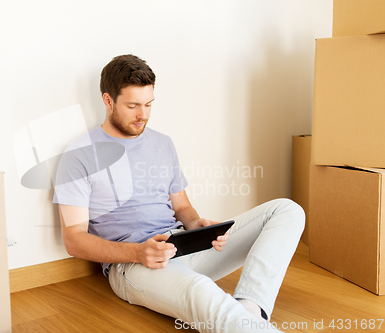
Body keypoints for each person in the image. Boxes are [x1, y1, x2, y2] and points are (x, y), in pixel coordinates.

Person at [53, 54, 305, 333]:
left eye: (149, 104)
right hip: (133, 264)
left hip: (184, 245)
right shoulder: (79, 155)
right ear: (108, 101)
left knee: (287, 210)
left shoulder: (162, 143)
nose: (143, 115)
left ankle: (249, 308)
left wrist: (198, 226)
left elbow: (182, 207)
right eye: (133, 106)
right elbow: (74, 241)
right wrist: (138, 253)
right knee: (201, 291)